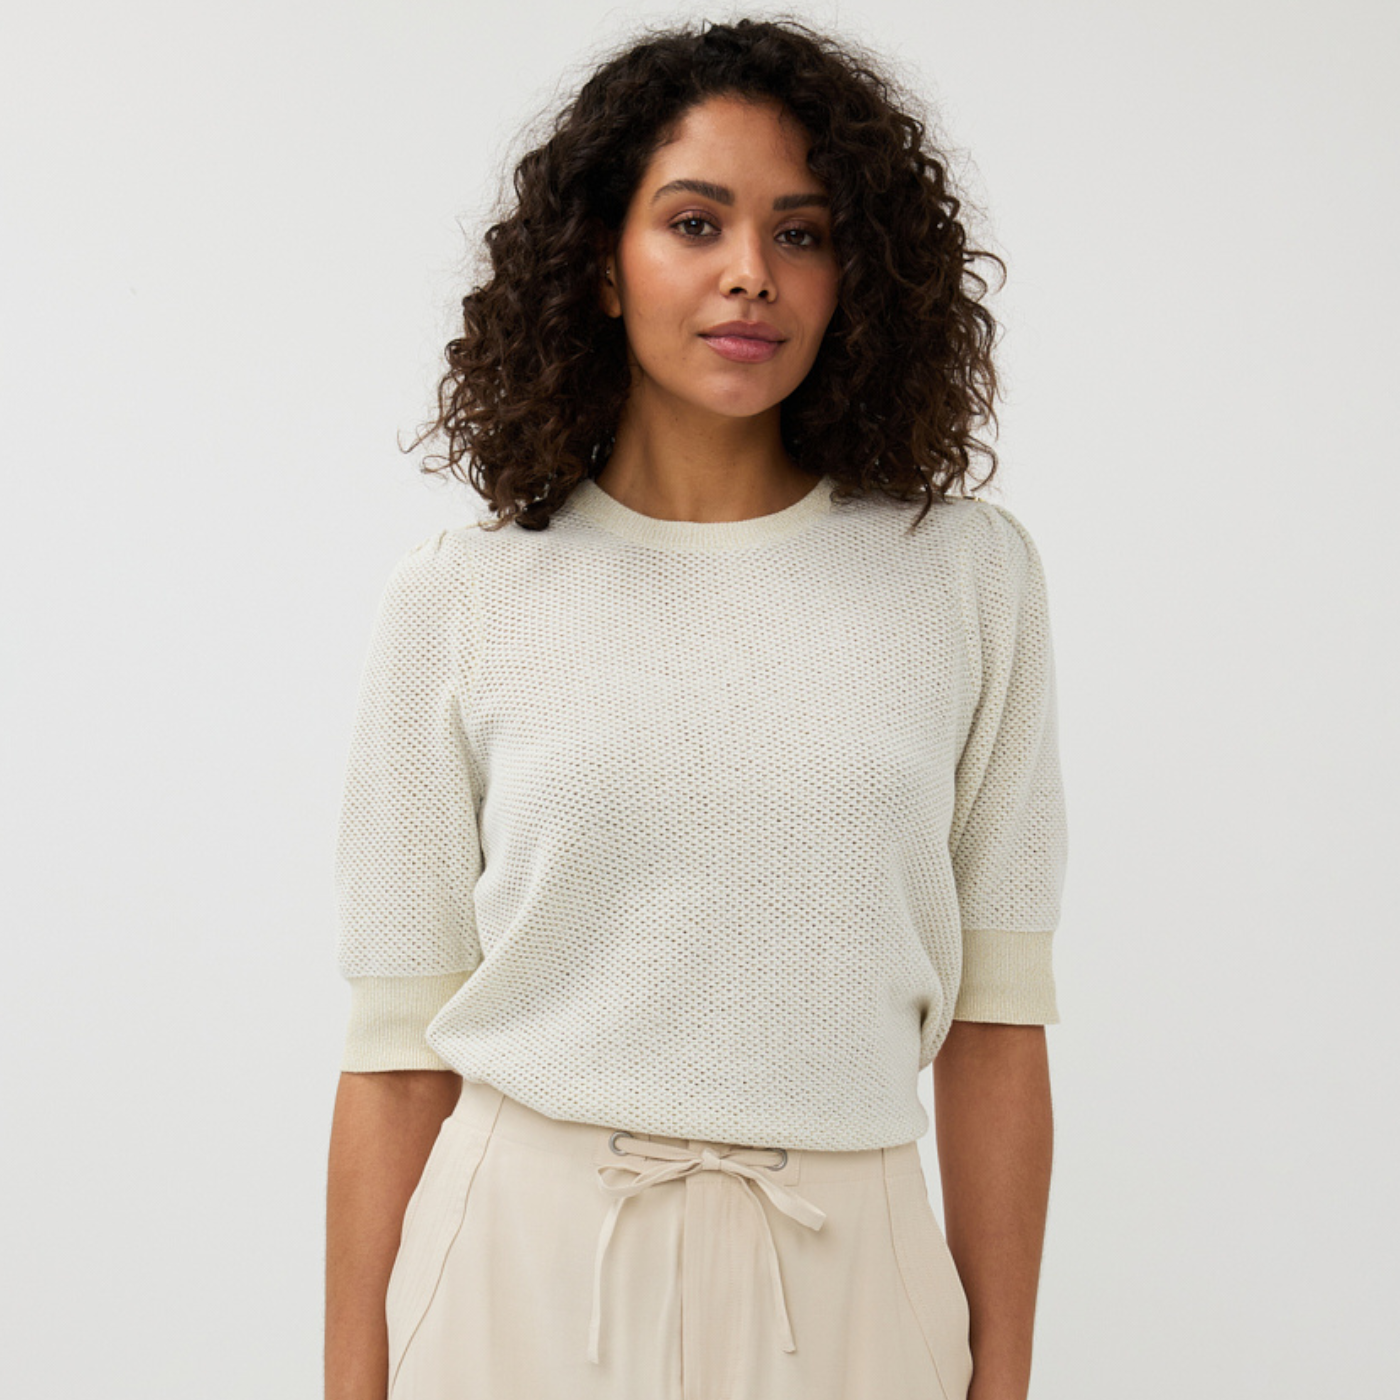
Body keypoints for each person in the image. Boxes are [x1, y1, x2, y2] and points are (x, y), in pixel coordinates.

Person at [324, 16, 1067, 1400]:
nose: (750, 273)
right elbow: (394, 1059)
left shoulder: (962, 577)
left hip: (853, 1280)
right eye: (694, 222)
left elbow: (997, 1024)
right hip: (518, 1272)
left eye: (801, 232)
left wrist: (1005, 1378)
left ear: (856, 274)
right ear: (601, 266)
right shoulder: (466, 598)